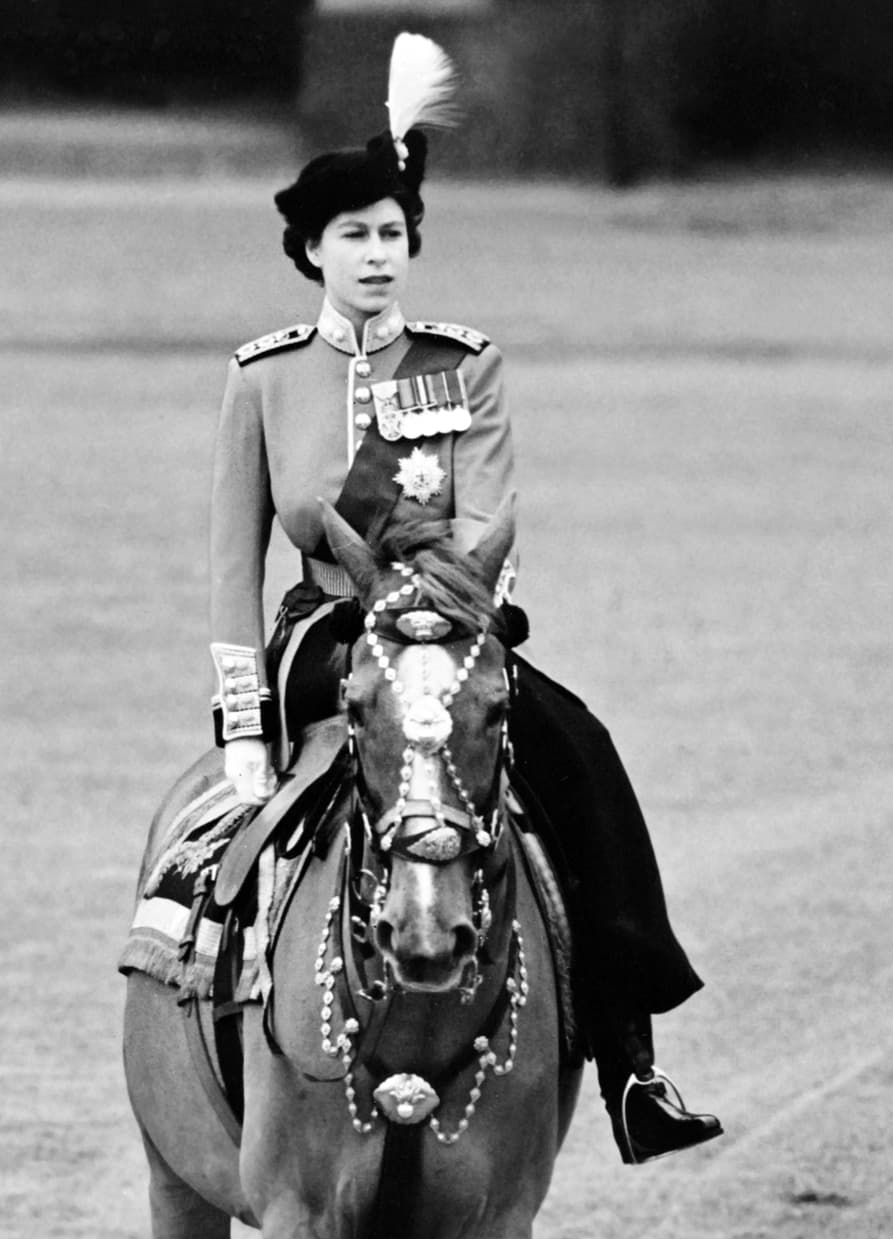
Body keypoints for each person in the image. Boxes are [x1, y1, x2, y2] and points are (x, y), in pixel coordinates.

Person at [207, 34, 721, 1167]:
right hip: (328, 633)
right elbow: (230, 566)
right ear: (311, 249)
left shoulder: (464, 363)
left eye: (392, 235)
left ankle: (629, 1066)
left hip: (449, 624)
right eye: (354, 236)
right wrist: (243, 726)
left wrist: (454, 622)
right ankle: (212, 1024)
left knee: (581, 754)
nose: (377, 257)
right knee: (226, 845)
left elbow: (492, 519)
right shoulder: (263, 377)